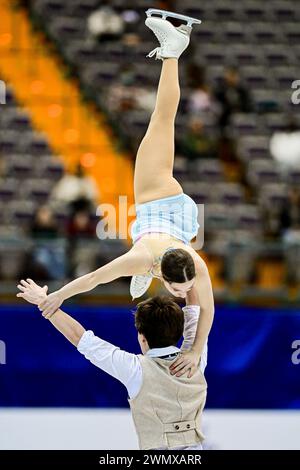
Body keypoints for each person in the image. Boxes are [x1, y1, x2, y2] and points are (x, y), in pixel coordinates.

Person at [25, 12, 214, 378]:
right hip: (159, 200)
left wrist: (196, 350)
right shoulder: (151, 258)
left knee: (139, 256)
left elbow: (206, 309)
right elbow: (94, 278)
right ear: (162, 270)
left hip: (179, 227)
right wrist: (59, 298)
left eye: (183, 286)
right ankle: (174, 51)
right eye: (178, 287)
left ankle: (141, 280)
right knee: (162, 119)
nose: (183, 292)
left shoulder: (192, 265)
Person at [16, 279, 208, 450]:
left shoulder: (136, 369)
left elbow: (81, 338)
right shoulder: (196, 358)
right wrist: (183, 276)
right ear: (178, 330)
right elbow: (194, 314)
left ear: (141, 337)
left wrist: (44, 301)